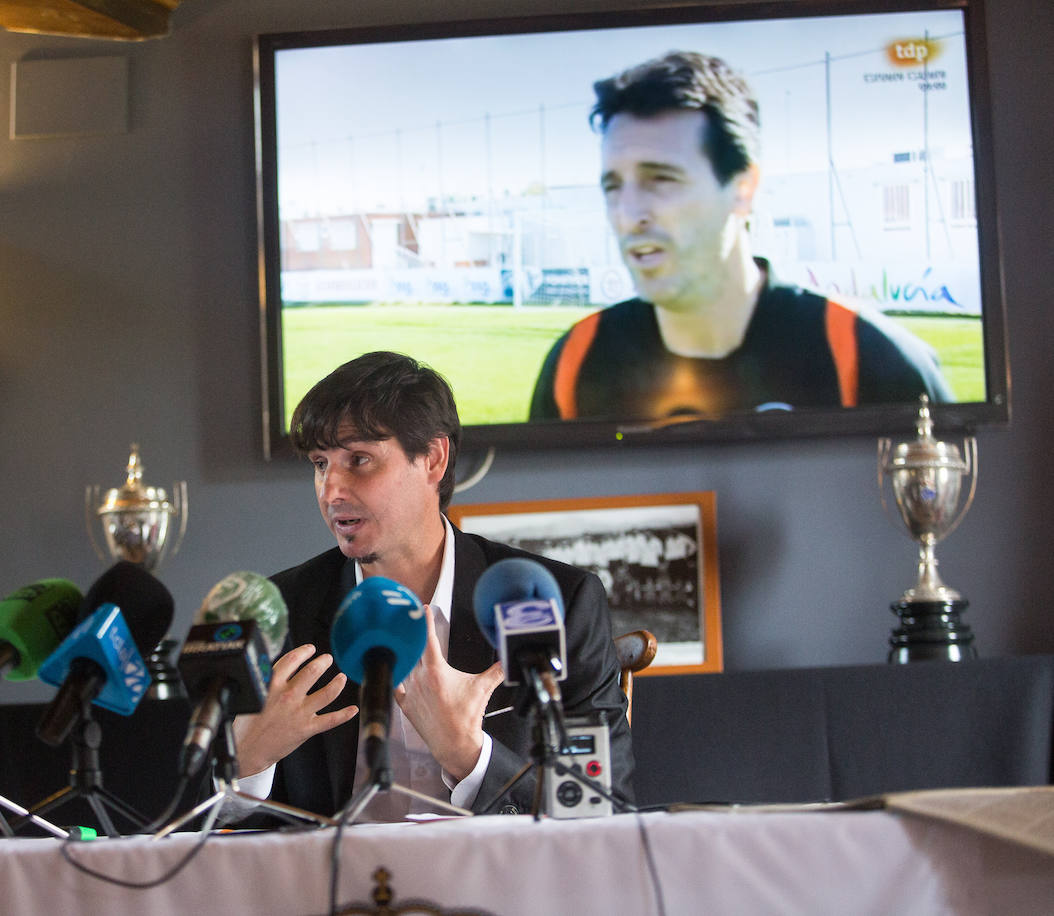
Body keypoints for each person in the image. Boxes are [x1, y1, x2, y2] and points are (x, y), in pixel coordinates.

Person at [229, 350, 633, 820]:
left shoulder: (557, 603)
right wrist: (245, 764)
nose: (330, 490)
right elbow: (191, 823)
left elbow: (604, 809)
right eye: (321, 464)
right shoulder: (278, 612)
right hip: (333, 868)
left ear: (433, 460)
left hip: (494, 869)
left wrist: (469, 757)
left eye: (359, 460)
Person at [530, 51, 953, 422]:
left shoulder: (869, 358)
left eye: (661, 179)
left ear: (743, 188)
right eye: (613, 186)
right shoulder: (576, 361)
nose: (628, 213)